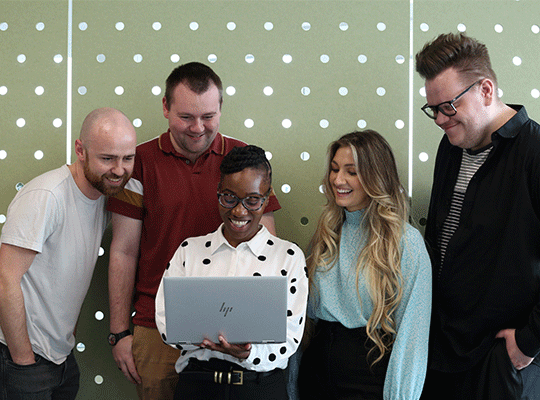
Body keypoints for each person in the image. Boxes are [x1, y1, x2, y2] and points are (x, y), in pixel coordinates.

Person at [107, 62, 281, 399]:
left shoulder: (245, 160)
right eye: (186, 117)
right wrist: (119, 332)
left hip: (233, 331)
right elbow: (123, 251)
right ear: (165, 107)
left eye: (208, 116)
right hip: (156, 329)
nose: (198, 128)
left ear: (220, 109)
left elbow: (268, 250)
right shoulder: (139, 162)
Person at [416, 32, 540, 399]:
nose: (439, 119)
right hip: (443, 352)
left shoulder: (534, 154)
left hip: (500, 359)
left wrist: (529, 341)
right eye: (433, 109)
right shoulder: (451, 147)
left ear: (486, 90)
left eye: (448, 107)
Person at [0, 108, 137, 399]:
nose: (119, 169)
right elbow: (4, 279)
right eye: (107, 158)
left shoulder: (103, 196)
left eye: (128, 158)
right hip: (20, 358)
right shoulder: (47, 195)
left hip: (60, 357)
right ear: (80, 150)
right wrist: (23, 361)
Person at [154, 145, 307, 399]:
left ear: (267, 199)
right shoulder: (189, 251)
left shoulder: (288, 257)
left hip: (260, 388)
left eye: (253, 200)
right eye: (229, 198)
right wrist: (202, 338)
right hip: (198, 386)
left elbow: (289, 339)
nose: (239, 210)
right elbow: (166, 321)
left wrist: (247, 353)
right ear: (218, 193)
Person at [298, 130, 432, 400]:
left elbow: (411, 339)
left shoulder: (406, 243)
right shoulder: (326, 232)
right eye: (335, 169)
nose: (338, 179)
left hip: (369, 376)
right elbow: (305, 324)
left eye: (351, 171)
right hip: (316, 375)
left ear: (375, 176)